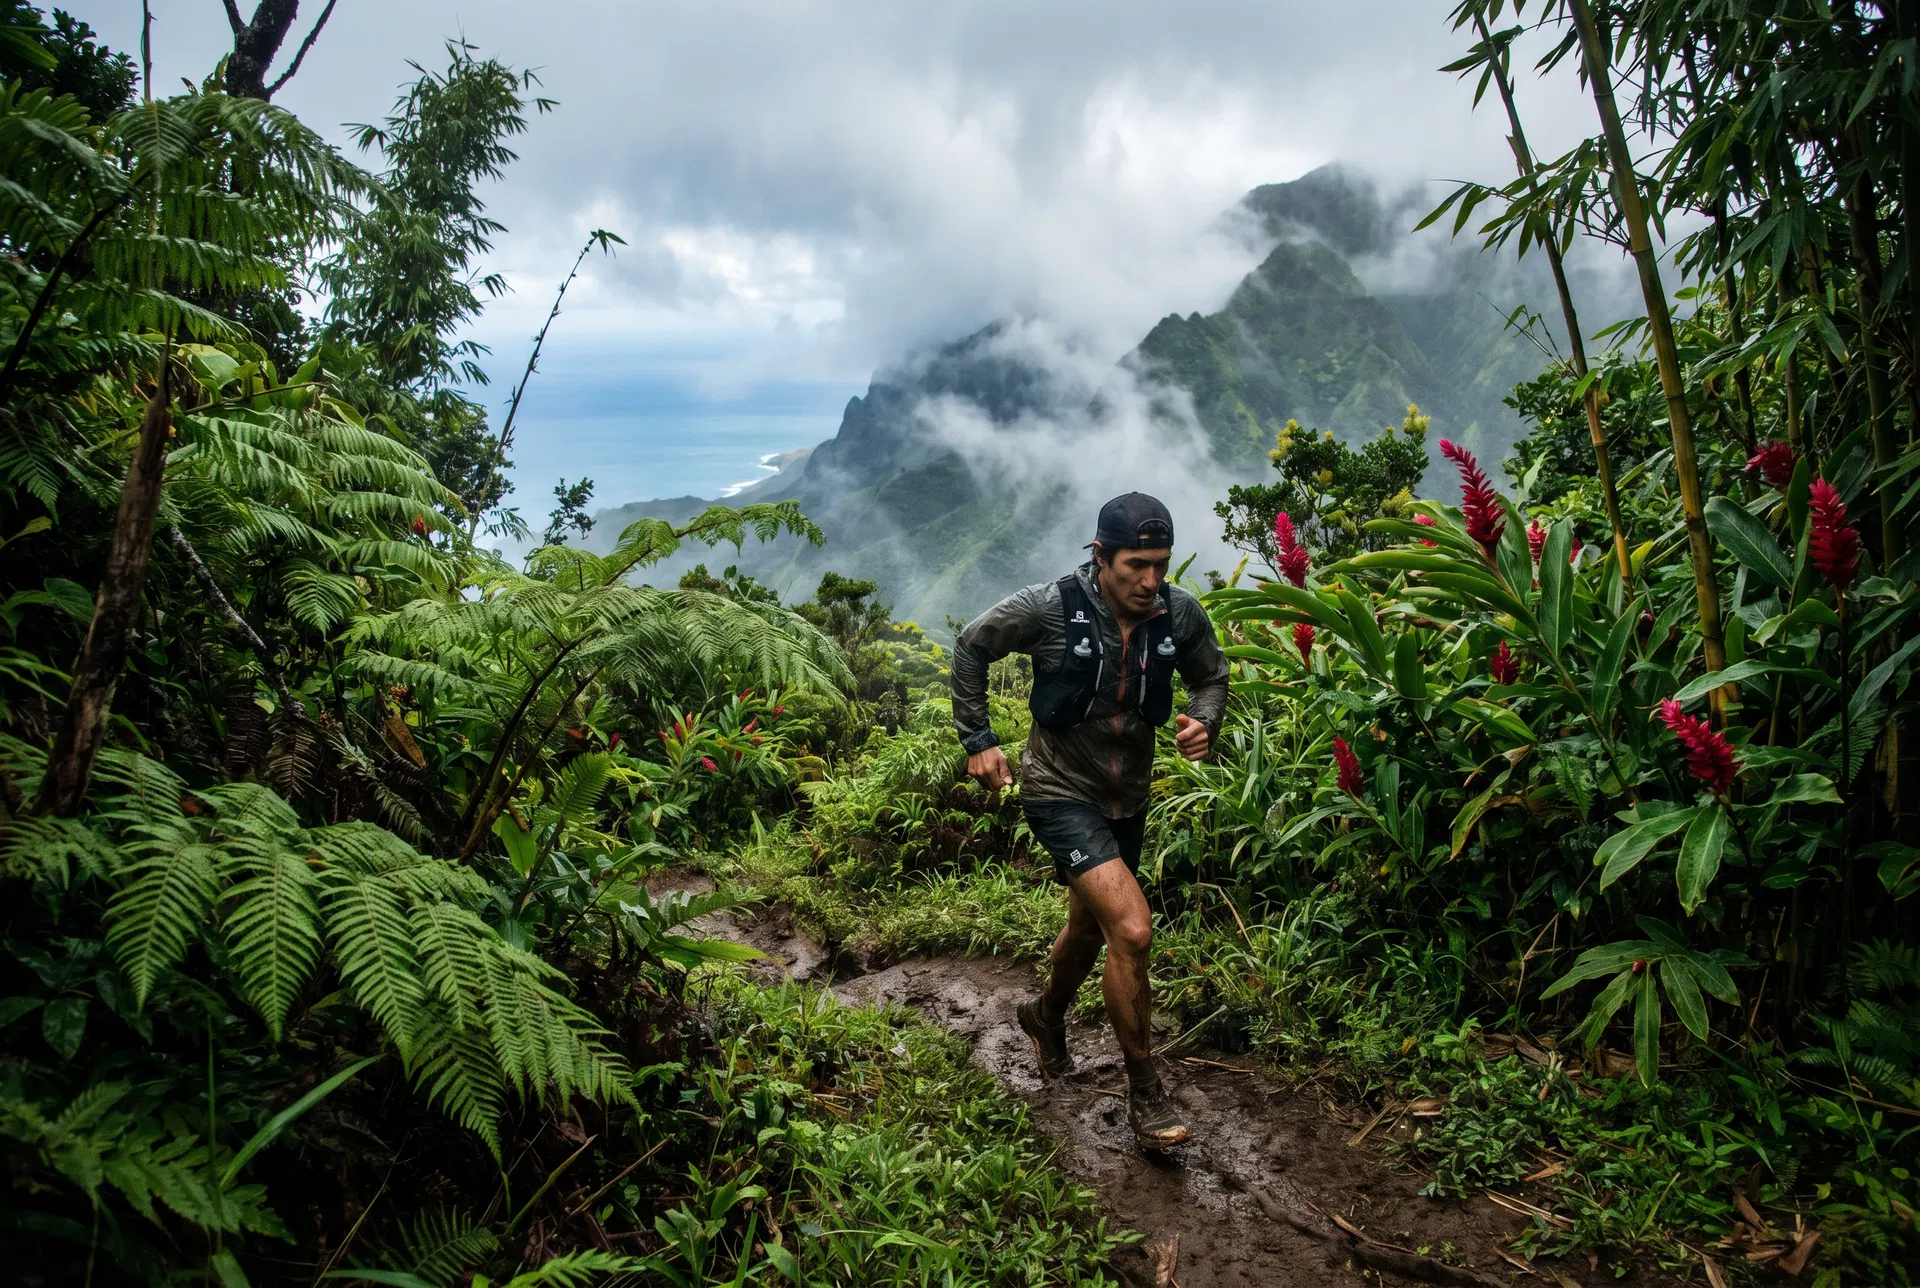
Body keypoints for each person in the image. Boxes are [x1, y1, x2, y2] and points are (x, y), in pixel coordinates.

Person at [949, 492, 1229, 1149]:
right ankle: (1146, 1095)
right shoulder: (1050, 608)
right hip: (1058, 790)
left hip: (1128, 798)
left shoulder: (1176, 613)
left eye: (1159, 564)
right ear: (1100, 556)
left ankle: (1044, 1017)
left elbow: (1211, 677)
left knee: (1089, 927)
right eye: (1136, 564)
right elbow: (971, 645)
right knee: (1131, 930)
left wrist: (1203, 722)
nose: (1150, 580)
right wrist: (979, 741)